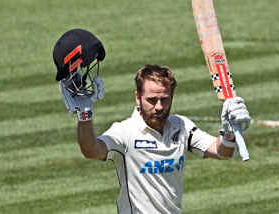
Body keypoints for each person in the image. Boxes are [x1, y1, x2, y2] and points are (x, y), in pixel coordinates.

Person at [53, 29, 251, 214]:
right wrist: (85, 114)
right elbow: (92, 151)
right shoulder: (126, 132)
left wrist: (228, 131)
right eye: (151, 100)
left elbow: (223, 152)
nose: (158, 107)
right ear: (138, 97)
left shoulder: (181, 127)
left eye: (164, 100)